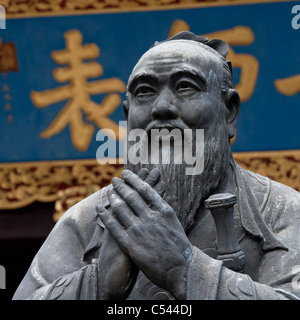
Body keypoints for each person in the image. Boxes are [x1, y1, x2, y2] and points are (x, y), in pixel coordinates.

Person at [13, 31, 300, 300]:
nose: (161, 107)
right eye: (145, 92)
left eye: (186, 87)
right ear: (128, 115)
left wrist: (186, 271)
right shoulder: (87, 221)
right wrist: (97, 283)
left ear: (229, 111)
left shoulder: (282, 210)